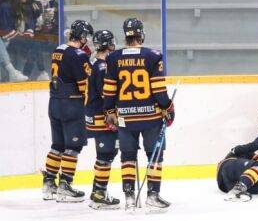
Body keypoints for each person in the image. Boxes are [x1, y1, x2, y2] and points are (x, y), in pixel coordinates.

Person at [103, 18, 175, 212]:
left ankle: (129, 197)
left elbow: (109, 91)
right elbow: (159, 90)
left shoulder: (113, 58)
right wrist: (168, 108)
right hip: (150, 117)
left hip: (125, 118)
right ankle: (152, 195)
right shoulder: (153, 56)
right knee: (155, 156)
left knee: (127, 156)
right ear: (141, 33)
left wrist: (109, 112)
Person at [42, 20, 93, 202]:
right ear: (81, 36)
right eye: (86, 36)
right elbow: (84, 86)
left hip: (54, 102)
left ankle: (48, 184)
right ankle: (65, 185)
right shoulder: (79, 55)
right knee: (73, 146)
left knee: (57, 145)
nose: (87, 40)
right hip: (71, 105)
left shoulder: (58, 49)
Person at [85, 30, 119, 210]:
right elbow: (106, 94)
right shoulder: (103, 66)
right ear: (109, 44)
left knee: (105, 154)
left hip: (93, 114)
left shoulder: (93, 62)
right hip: (102, 116)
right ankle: (99, 194)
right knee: (106, 154)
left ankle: (97, 191)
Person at [0, 0, 29, 81]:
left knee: (29, 44)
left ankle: (17, 72)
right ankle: (12, 72)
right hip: (6, 38)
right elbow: (5, 28)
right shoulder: (5, 7)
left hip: (9, 38)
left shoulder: (22, 8)